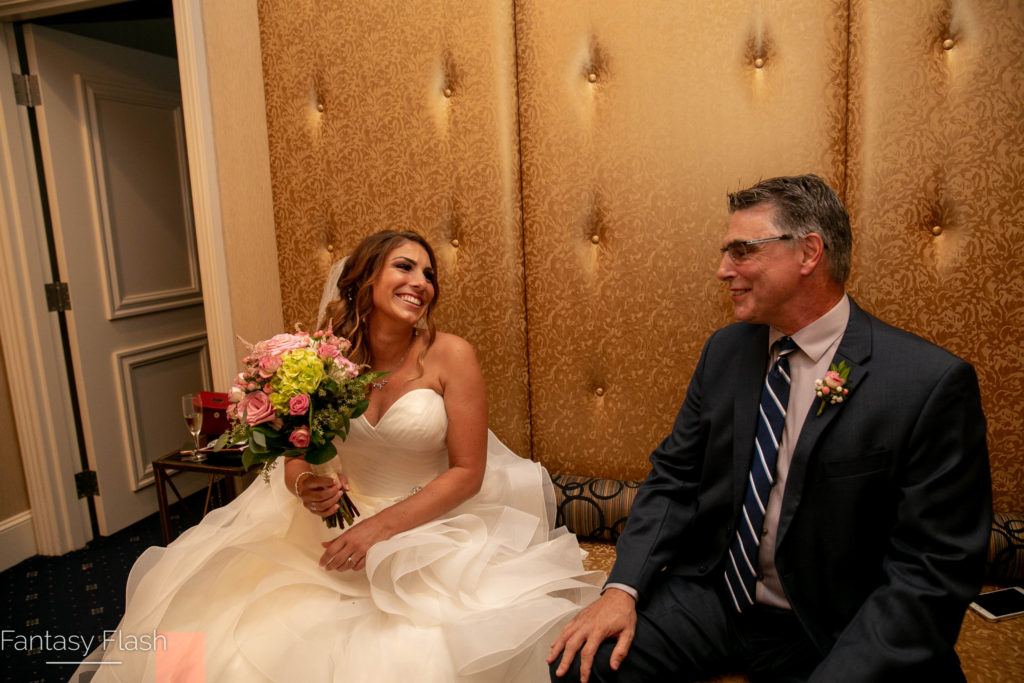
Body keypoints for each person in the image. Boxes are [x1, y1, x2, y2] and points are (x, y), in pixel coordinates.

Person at [77, 229, 602, 682]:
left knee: (410, 652)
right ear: (366, 278)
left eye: (428, 273)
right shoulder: (320, 359)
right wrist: (306, 486)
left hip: (431, 525)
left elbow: (468, 472)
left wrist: (379, 529)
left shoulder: (451, 354)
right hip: (324, 526)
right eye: (404, 266)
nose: (420, 281)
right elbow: (296, 456)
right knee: (231, 634)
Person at [547, 174, 992, 681]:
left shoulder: (926, 384)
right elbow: (674, 479)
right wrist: (621, 590)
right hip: (716, 597)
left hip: (835, 622)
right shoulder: (726, 351)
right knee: (580, 666)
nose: (722, 270)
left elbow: (933, 568)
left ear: (808, 253)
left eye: (742, 251)